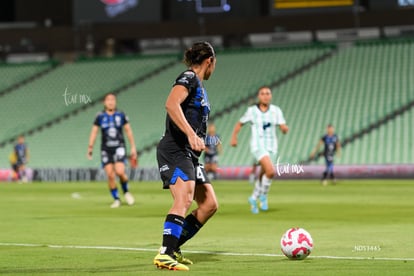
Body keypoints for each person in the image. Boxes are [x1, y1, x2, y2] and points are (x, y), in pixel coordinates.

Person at [154, 41, 218, 271]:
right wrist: (191, 135)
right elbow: (171, 104)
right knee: (184, 198)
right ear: (209, 61)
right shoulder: (189, 77)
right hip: (175, 149)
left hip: (189, 153)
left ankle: (174, 246)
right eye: (214, 64)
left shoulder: (199, 85)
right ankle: (165, 253)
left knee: (209, 204)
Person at [230, 86, 288, 214]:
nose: (266, 96)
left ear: (271, 96)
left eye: (268, 93)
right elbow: (240, 123)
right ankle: (263, 196)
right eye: (263, 93)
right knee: (270, 171)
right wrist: (234, 137)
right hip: (258, 145)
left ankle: (253, 198)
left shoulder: (276, 110)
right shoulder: (252, 111)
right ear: (259, 96)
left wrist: (284, 128)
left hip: (272, 146)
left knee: (264, 173)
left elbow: (283, 125)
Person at [87, 93, 137, 208]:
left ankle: (126, 191)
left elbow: (128, 131)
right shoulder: (99, 116)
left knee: (120, 172)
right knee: (110, 175)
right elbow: (94, 132)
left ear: (115, 102)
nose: (111, 102)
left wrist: (133, 147)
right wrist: (90, 147)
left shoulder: (121, 115)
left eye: (113, 100)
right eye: (108, 100)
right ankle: (116, 199)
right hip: (106, 149)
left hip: (119, 147)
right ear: (104, 102)